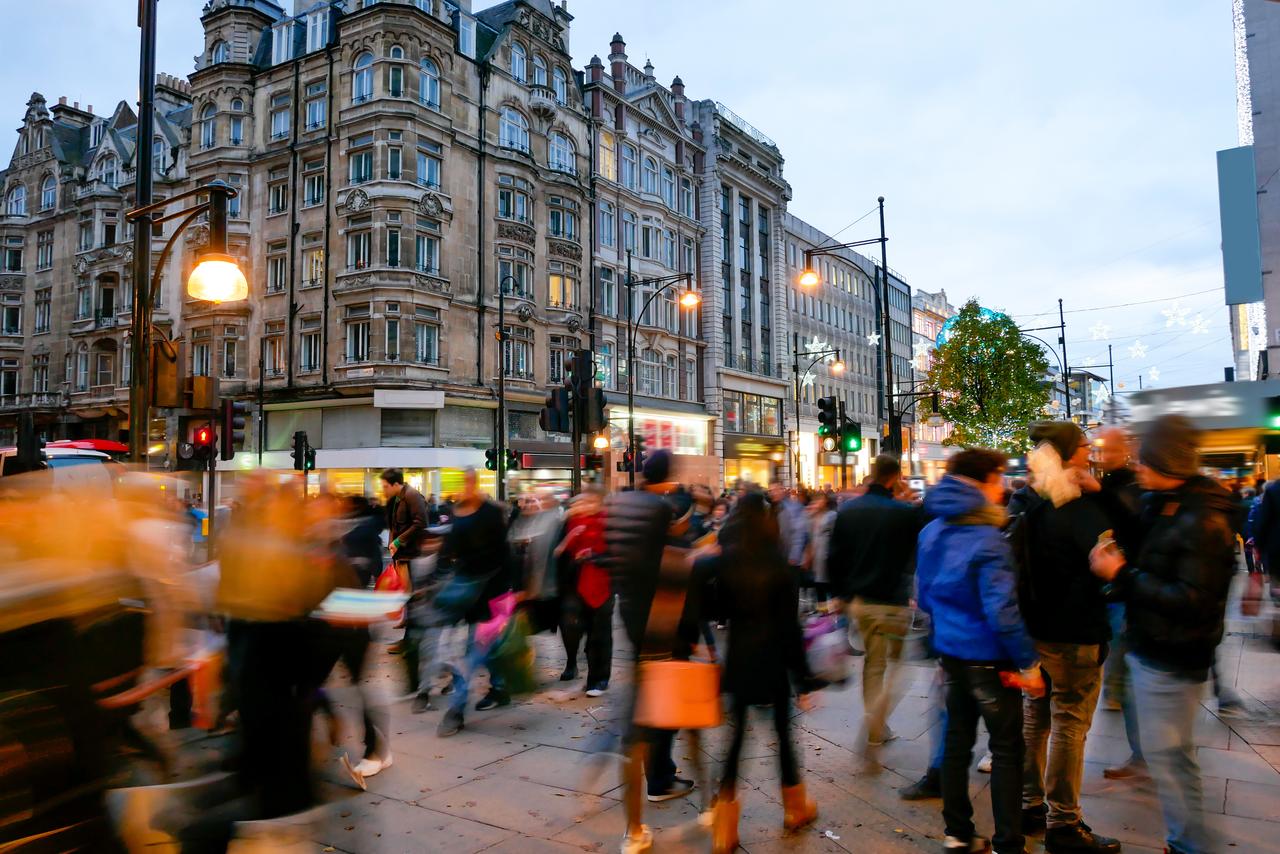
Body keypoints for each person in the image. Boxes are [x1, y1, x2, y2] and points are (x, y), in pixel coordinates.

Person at [1090, 415, 1236, 854]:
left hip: (1174, 654)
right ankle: (1187, 840)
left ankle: (1190, 844)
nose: (1136, 466)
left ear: (1166, 462)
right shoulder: (1169, 501)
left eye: (1143, 459)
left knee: (1168, 757)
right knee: (1172, 755)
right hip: (1154, 644)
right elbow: (1140, 533)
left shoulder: (1202, 518)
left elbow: (1192, 597)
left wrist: (1123, 574)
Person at [917, 448, 1045, 854]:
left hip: (951, 653)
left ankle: (958, 835)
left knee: (956, 744)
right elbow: (1002, 611)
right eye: (999, 477)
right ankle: (1009, 842)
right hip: (990, 659)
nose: (1004, 486)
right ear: (983, 482)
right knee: (1008, 749)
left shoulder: (931, 531)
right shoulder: (990, 540)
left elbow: (922, 596)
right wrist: (1029, 663)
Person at [1009, 423, 1120, 854]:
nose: (1091, 449)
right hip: (1075, 632)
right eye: (1084, 445)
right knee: (1071, 725)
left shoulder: (1025, 500)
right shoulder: (1079, 507)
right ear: (1069, 453)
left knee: (1036, 720)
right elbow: (1112, 552)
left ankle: (1029, 804)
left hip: (1034, 630)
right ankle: (1064, 824)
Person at [694, 492, 821, 853]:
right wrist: (804, 678)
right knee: (783, 734)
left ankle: (725, 829)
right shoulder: (779, 562)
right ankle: (795, 808)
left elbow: (710, 605)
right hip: (774, 660)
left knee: (734, 742)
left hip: (740, 657)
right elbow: (789, 626)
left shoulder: (726, 561)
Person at [603, 450, 698, 854]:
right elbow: (674, 561)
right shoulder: (661, 510)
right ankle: (659, 776)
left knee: (649, 690)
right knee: (664, 698)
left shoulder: (620, 502)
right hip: (659, 615)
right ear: (669, 476)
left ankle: (659, 769)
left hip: (628, 610)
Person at [827, 454, 923, 758]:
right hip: (893, 601)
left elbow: (835, 557)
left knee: (873, 664)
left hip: (861, 602)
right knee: (898, 667)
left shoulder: (849, 510)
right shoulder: (904, 513)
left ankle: (875, 725)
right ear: (895, 477)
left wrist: (839, 595)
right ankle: (875, 722)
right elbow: (914, 554)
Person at [433, 468, 514, 737]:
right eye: (462, 482)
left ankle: (455, 711)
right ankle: (501, 686)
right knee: (482, 651)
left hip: (490, 595)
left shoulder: (491, 513)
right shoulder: (457, 513)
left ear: (476, 484)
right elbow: (449, 551)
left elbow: (506, 554)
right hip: (465, 594)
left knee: (471, 654)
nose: (465, 487)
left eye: (469, 482)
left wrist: (514, 591)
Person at [1091, 426, 1146, 779]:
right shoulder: (1113, 485)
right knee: (1124, 675)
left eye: (1106, 449)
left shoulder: (1128, 488)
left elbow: (1130, 520)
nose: (1100, 455)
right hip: (1116, 591)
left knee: (1129, 679)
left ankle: (1145, 757)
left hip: (1126, 592)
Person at [556, 491, 614, 696]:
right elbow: (559, 552)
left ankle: (598, 680)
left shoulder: (608, 522)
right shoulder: (571, 522)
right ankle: (581, 665)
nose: (585, 505)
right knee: (574, 626)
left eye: (590, 500)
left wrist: (593, 556)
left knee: (599, 634)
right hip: (576, 582)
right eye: (582, 501)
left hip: (601, 583)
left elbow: (616, 554)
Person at [381, 468, 430, 653]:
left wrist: (398, 541)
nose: (384, 490)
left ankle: (410, 641)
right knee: (408, 597)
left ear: (396, 484)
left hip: (411, 555)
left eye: (386, 486)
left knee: (412, 599)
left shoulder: (411, 496)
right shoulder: (397, 499)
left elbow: (421, 523)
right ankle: (410, 634)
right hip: (402, 555)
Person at [768, 481, 809, 578]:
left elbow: (798, 533)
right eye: (770, 491)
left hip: (789, 558)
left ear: (782, 490)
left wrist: (794, 556)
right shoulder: (771, 508)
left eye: (775, 490)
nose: (773, 493)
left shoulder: (794, 507)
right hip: (776, 557)